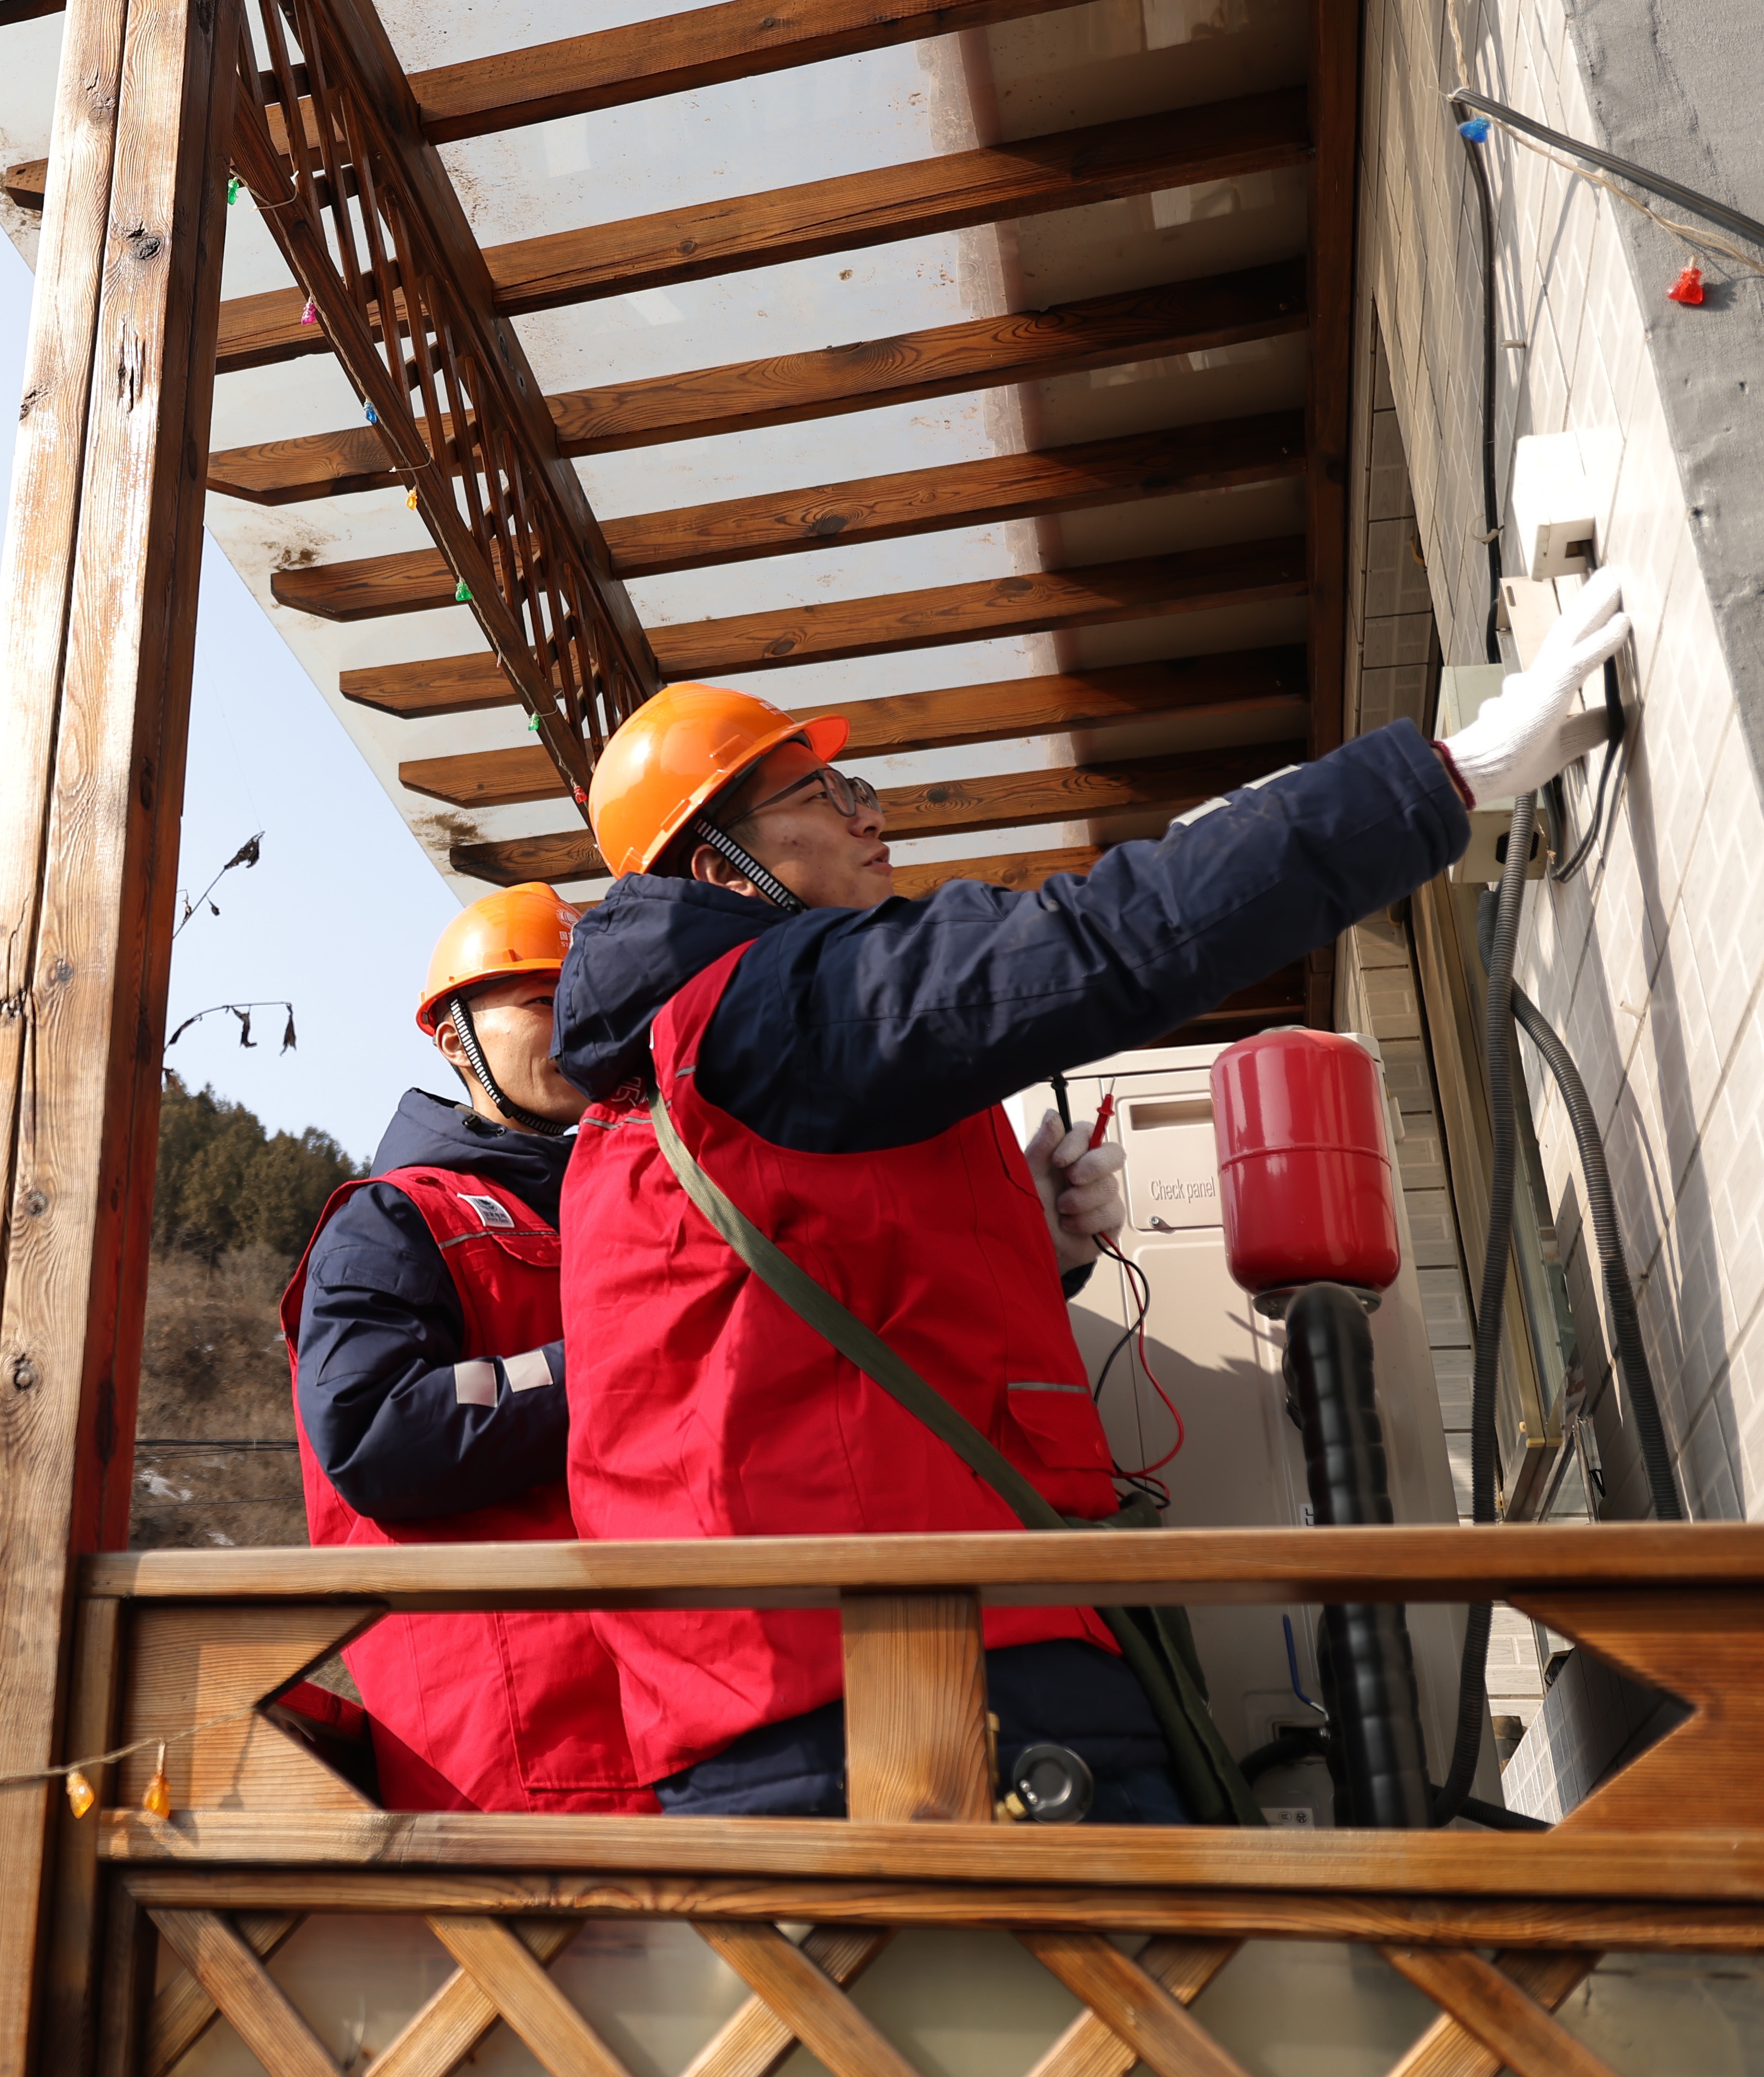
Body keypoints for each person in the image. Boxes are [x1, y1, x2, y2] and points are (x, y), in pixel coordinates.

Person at [552, 575, 1632, 1818]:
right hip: (908, 1697)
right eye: (820, 793)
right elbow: (1093, 942)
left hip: (862, 1685)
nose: (869, 815)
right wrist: (1456, 775)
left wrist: (1033, 1236)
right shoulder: (757, 1011)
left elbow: (823, 1337)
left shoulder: (683, 1083)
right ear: (722, 870)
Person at [278, 884, 652, 1814]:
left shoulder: (637, 1207)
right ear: (452, 1038)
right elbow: (371, 1433)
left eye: (585, 1002)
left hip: (674, 1700)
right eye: (539, 1002)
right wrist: (612, 1365)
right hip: (514, 1744)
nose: (573, 1027)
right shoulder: (395, 1215)